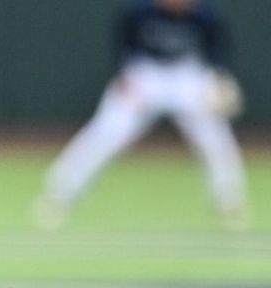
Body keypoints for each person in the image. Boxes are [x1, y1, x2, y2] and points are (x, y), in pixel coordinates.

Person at [35, 0, 247, 229]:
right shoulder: (138, 12)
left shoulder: (205, 16)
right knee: (109, 130)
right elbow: (122, 46)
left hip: (187, 75)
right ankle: (59, 194)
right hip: (145, 73)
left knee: (213, 135)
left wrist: (219, 78)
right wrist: (123, 75)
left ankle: (229, 201)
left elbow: (219, 52)